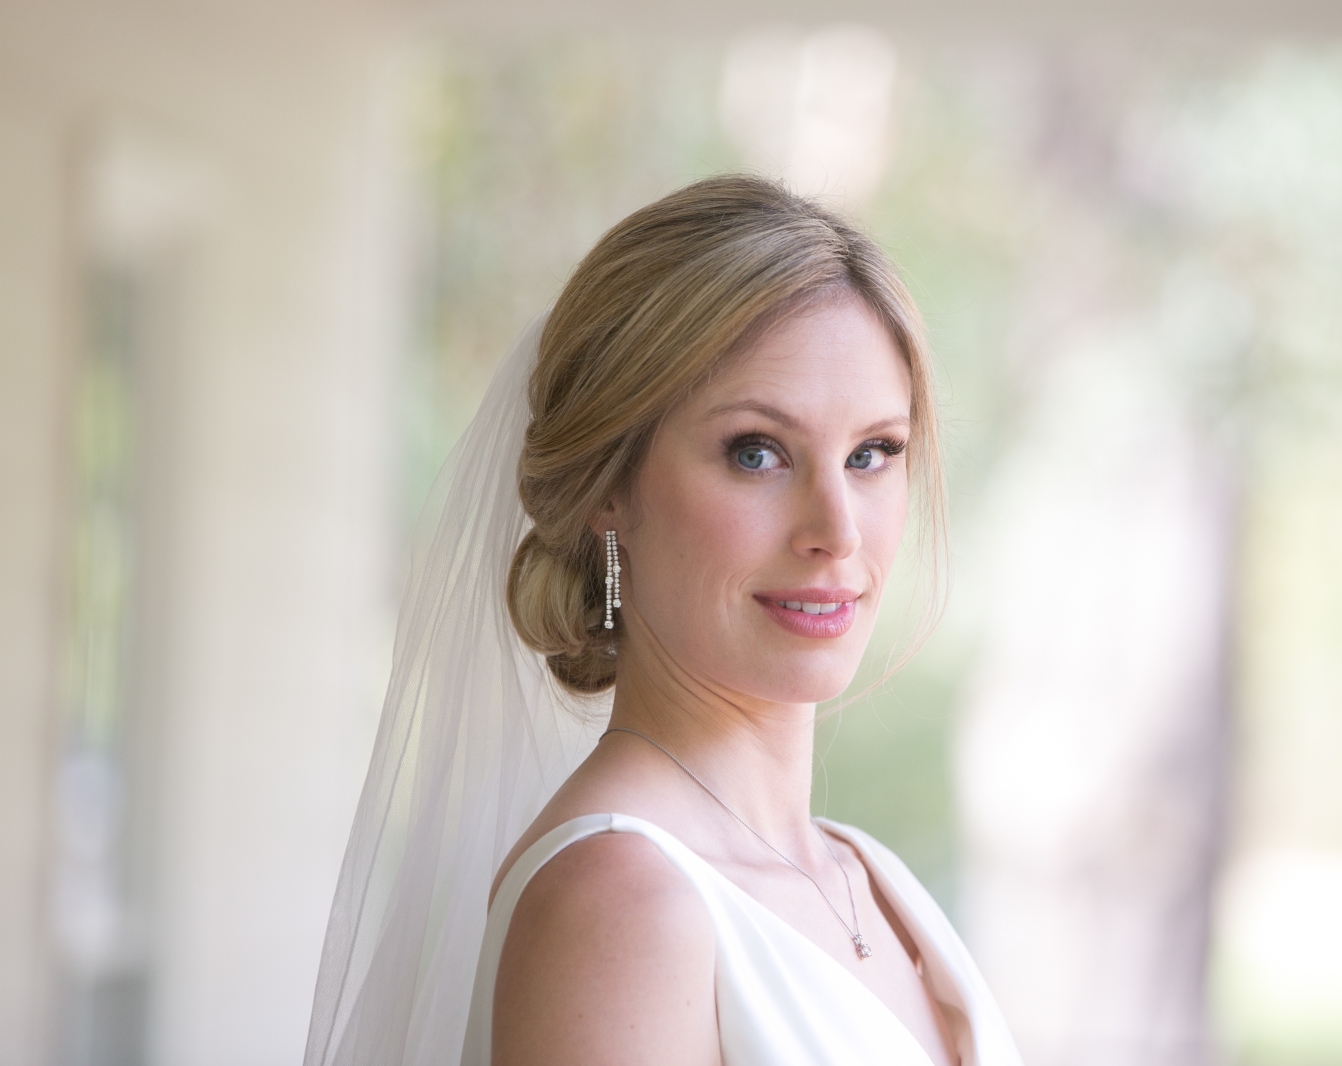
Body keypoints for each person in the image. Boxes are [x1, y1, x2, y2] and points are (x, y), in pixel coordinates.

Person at [303, 176, 1022, 1066]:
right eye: (757, 453)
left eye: (872, 453)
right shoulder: (622, 904)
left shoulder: (869, 878)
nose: (837, 531)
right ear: (609, 486)